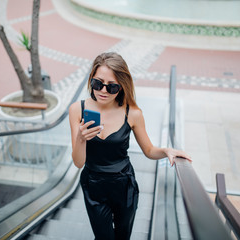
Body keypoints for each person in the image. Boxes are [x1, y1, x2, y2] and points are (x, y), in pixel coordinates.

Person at [69, 52, 192, 240]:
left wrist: (167, 150)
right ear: (91, 80)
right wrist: (81, 138)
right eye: (97, 83)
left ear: (122, 87)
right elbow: (78, 163)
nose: (103, 91)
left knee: (122, 236)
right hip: (93, 185)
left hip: (123, 185)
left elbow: (149, 151)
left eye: (112, 87)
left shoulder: (132, 113)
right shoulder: (77, 109)